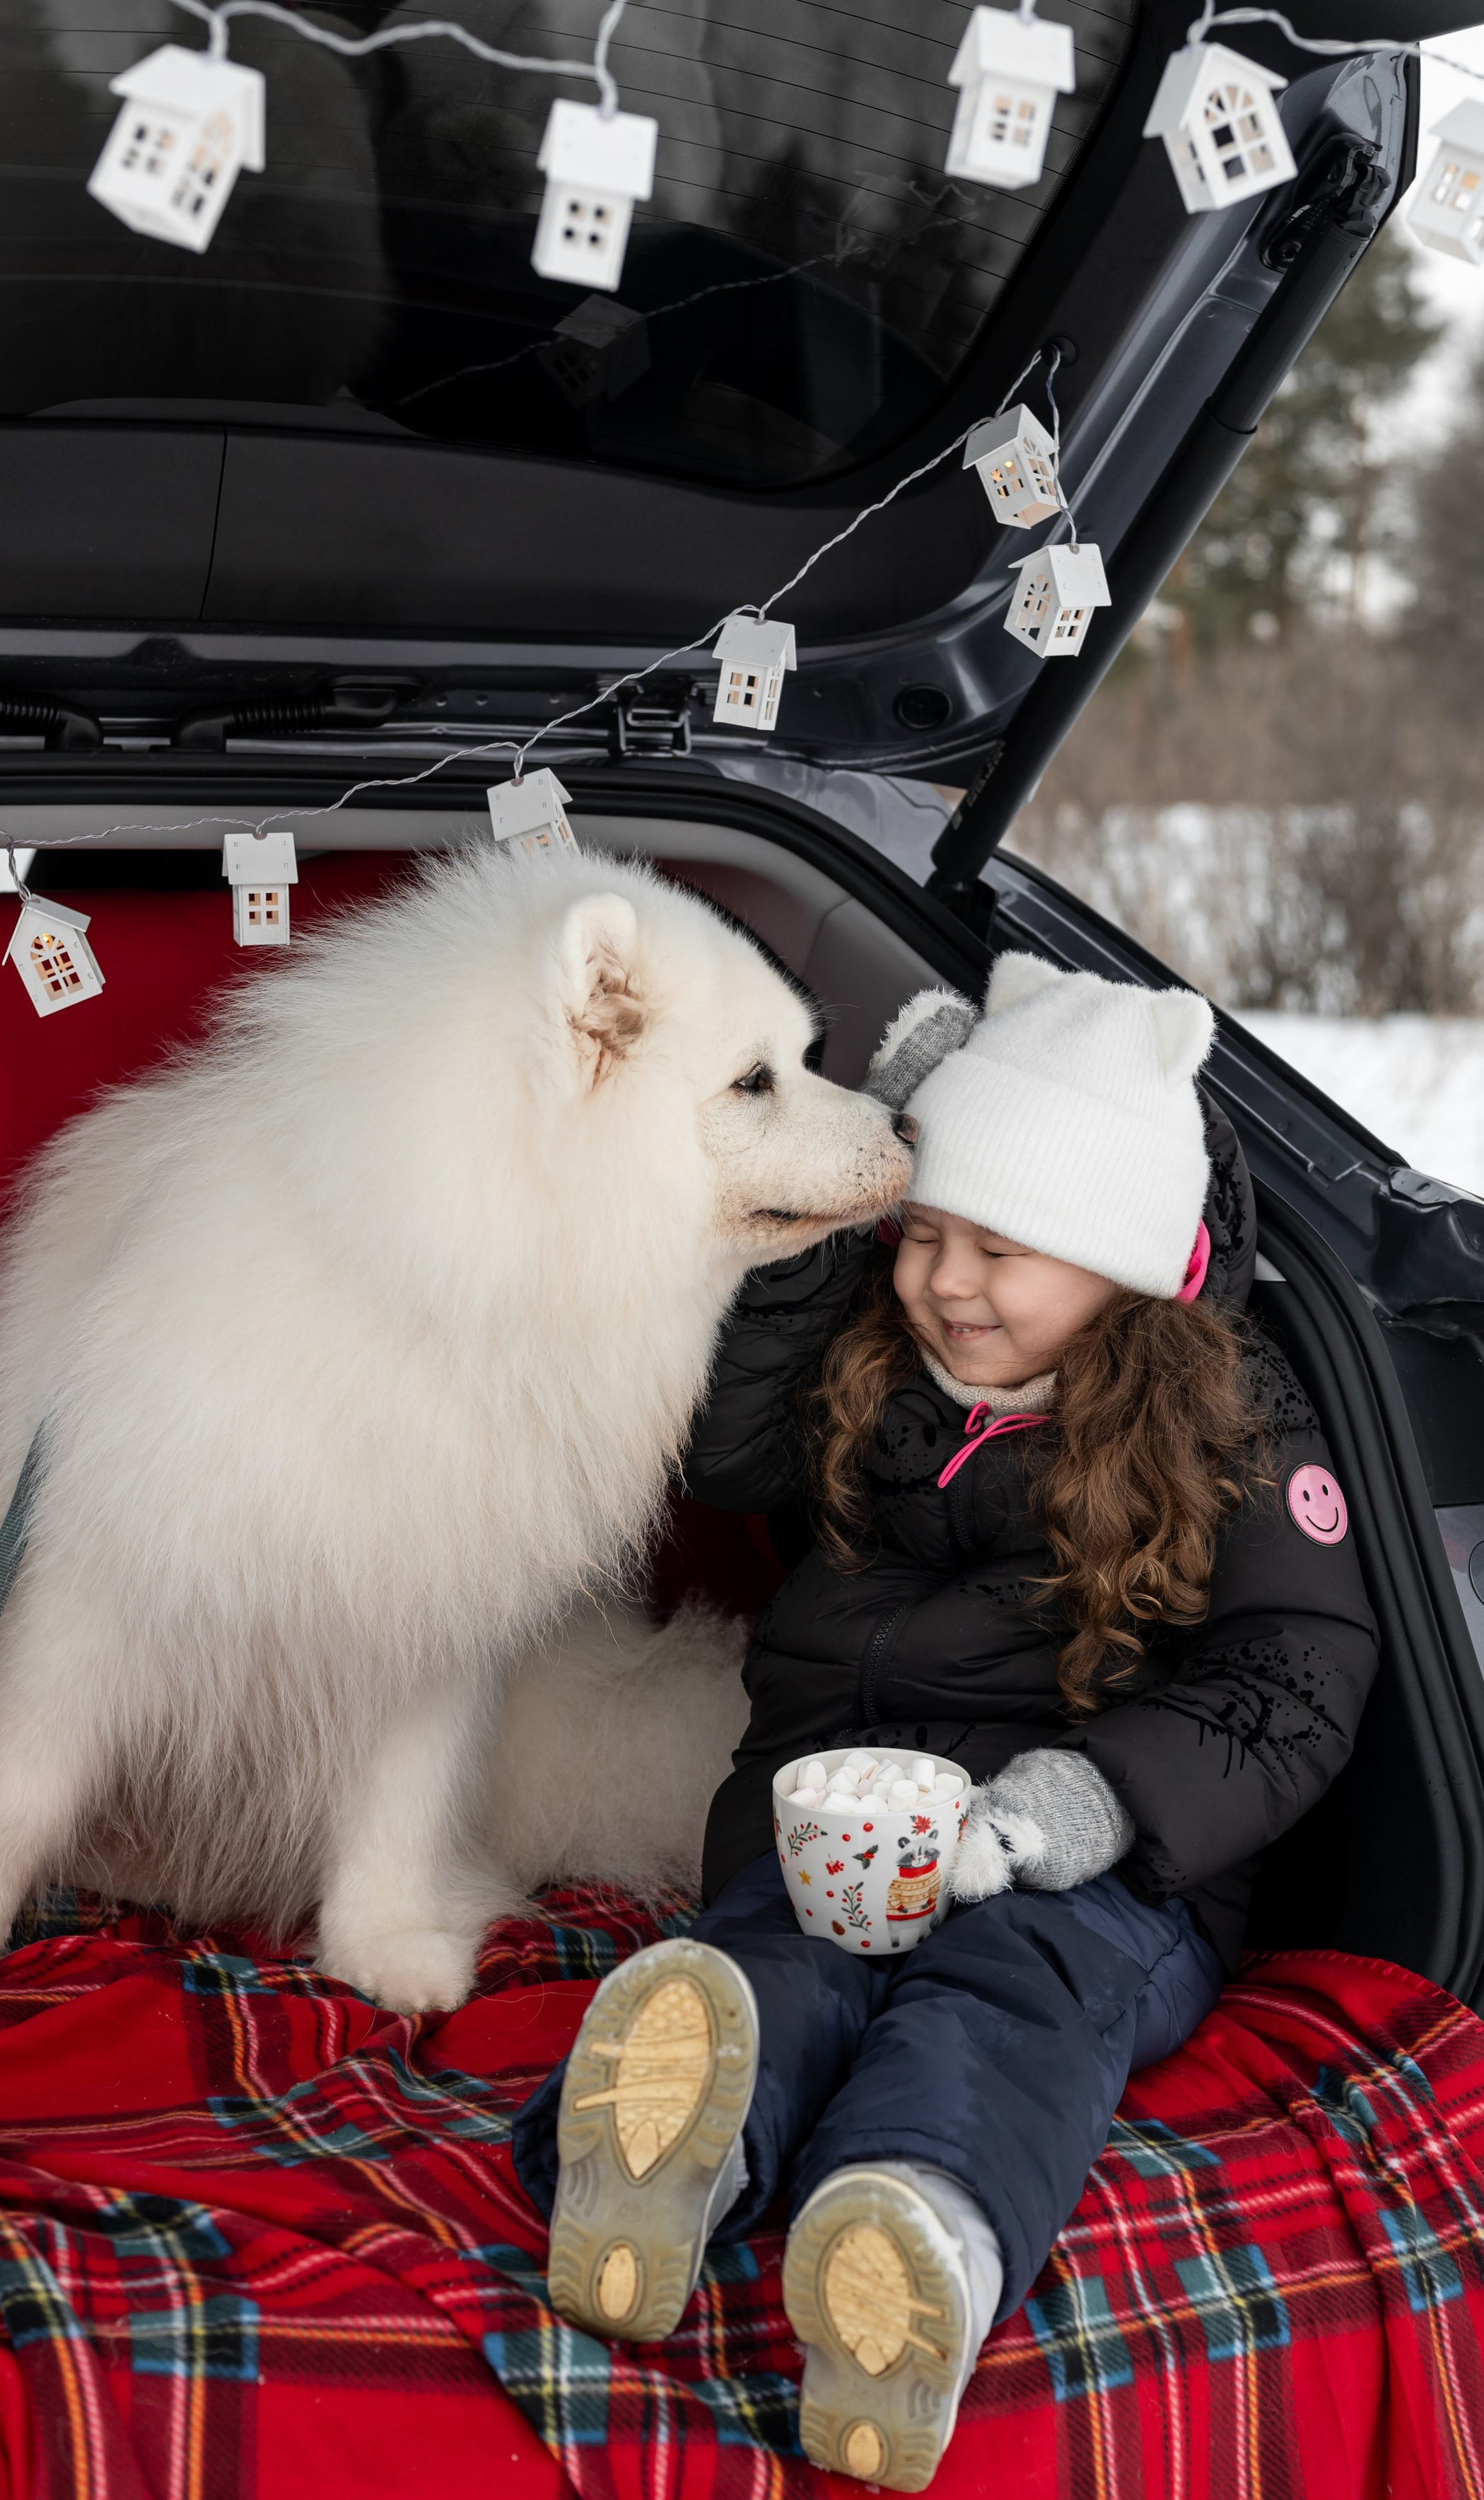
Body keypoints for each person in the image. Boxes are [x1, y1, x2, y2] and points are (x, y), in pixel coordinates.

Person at [512, 952, 1379, 2492]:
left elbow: (1294, 1671)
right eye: (920, 1234)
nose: (946, 1283)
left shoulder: (1221, 1418)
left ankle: (918, 2238)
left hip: (1100, 1868)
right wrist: (834, 1209)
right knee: (772, 1966)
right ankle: (656, 2172)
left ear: (1118, 1261)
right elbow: (721, 1449)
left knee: (1003, 1992)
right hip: (838, 1823)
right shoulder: (878, 1365)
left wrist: (1090, 1806)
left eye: (1002, 1247)